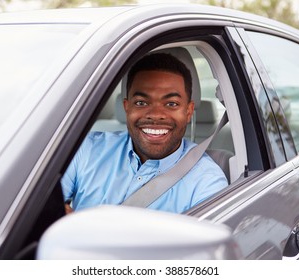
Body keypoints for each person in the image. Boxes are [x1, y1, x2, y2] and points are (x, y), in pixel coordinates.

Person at [61, 52, 228, 214]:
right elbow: (41, 206)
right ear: (127, 107)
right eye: (141, 102)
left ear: (188, 111)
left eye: (171, 104)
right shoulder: (87, 149)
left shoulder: (206, 181)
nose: (155, 115)